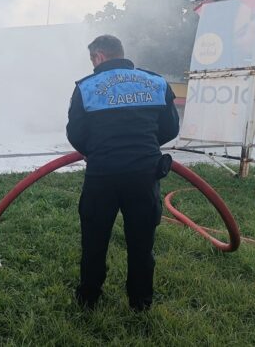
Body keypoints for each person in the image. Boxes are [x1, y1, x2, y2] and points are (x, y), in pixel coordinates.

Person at [66, 35, 179, 311]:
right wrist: (145, 147)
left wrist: (98, 150)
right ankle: (140, 302)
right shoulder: (156, 83)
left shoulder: (87, 87)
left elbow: (76, 134)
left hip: (102, 175)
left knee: (94, 239)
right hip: (144, 175)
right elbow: (171, 128)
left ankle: (89, 297)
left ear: (99, 56)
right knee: (141, 243)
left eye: (92, 59)